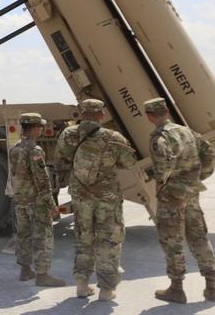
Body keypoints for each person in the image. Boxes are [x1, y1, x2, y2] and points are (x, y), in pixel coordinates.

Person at [56, 98, 136, 302]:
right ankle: (107, 290)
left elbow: (62, 157)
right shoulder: (113, 137)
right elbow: (128, 162)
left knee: (83, 238)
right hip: (106, 198)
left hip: (80, 196)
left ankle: (82, 285)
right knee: (109, 240)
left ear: (81, 113)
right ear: (101, 114)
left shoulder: (68, 135)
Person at [145, 97, 215, 303]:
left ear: (149, 116)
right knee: (199, 237)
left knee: (172, 241)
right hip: (191, 192)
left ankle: (177, 288)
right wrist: (200, 176)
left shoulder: (158, 137)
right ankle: (211, 286)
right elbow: (209, 152)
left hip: (172, 196)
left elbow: (163, 165)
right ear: (167, 111)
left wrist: (162, 183)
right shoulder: (188, 131)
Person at [8, 113, 66, 287]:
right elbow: (42, 181)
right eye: (39, 126)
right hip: (35, 202)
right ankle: (42, 275)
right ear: (34, 128)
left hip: (20, 201)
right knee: (43, 236)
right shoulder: (35, 150)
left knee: (23, 235)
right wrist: (52, 205)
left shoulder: (15, 148)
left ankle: (25, 270)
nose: (41, 129)